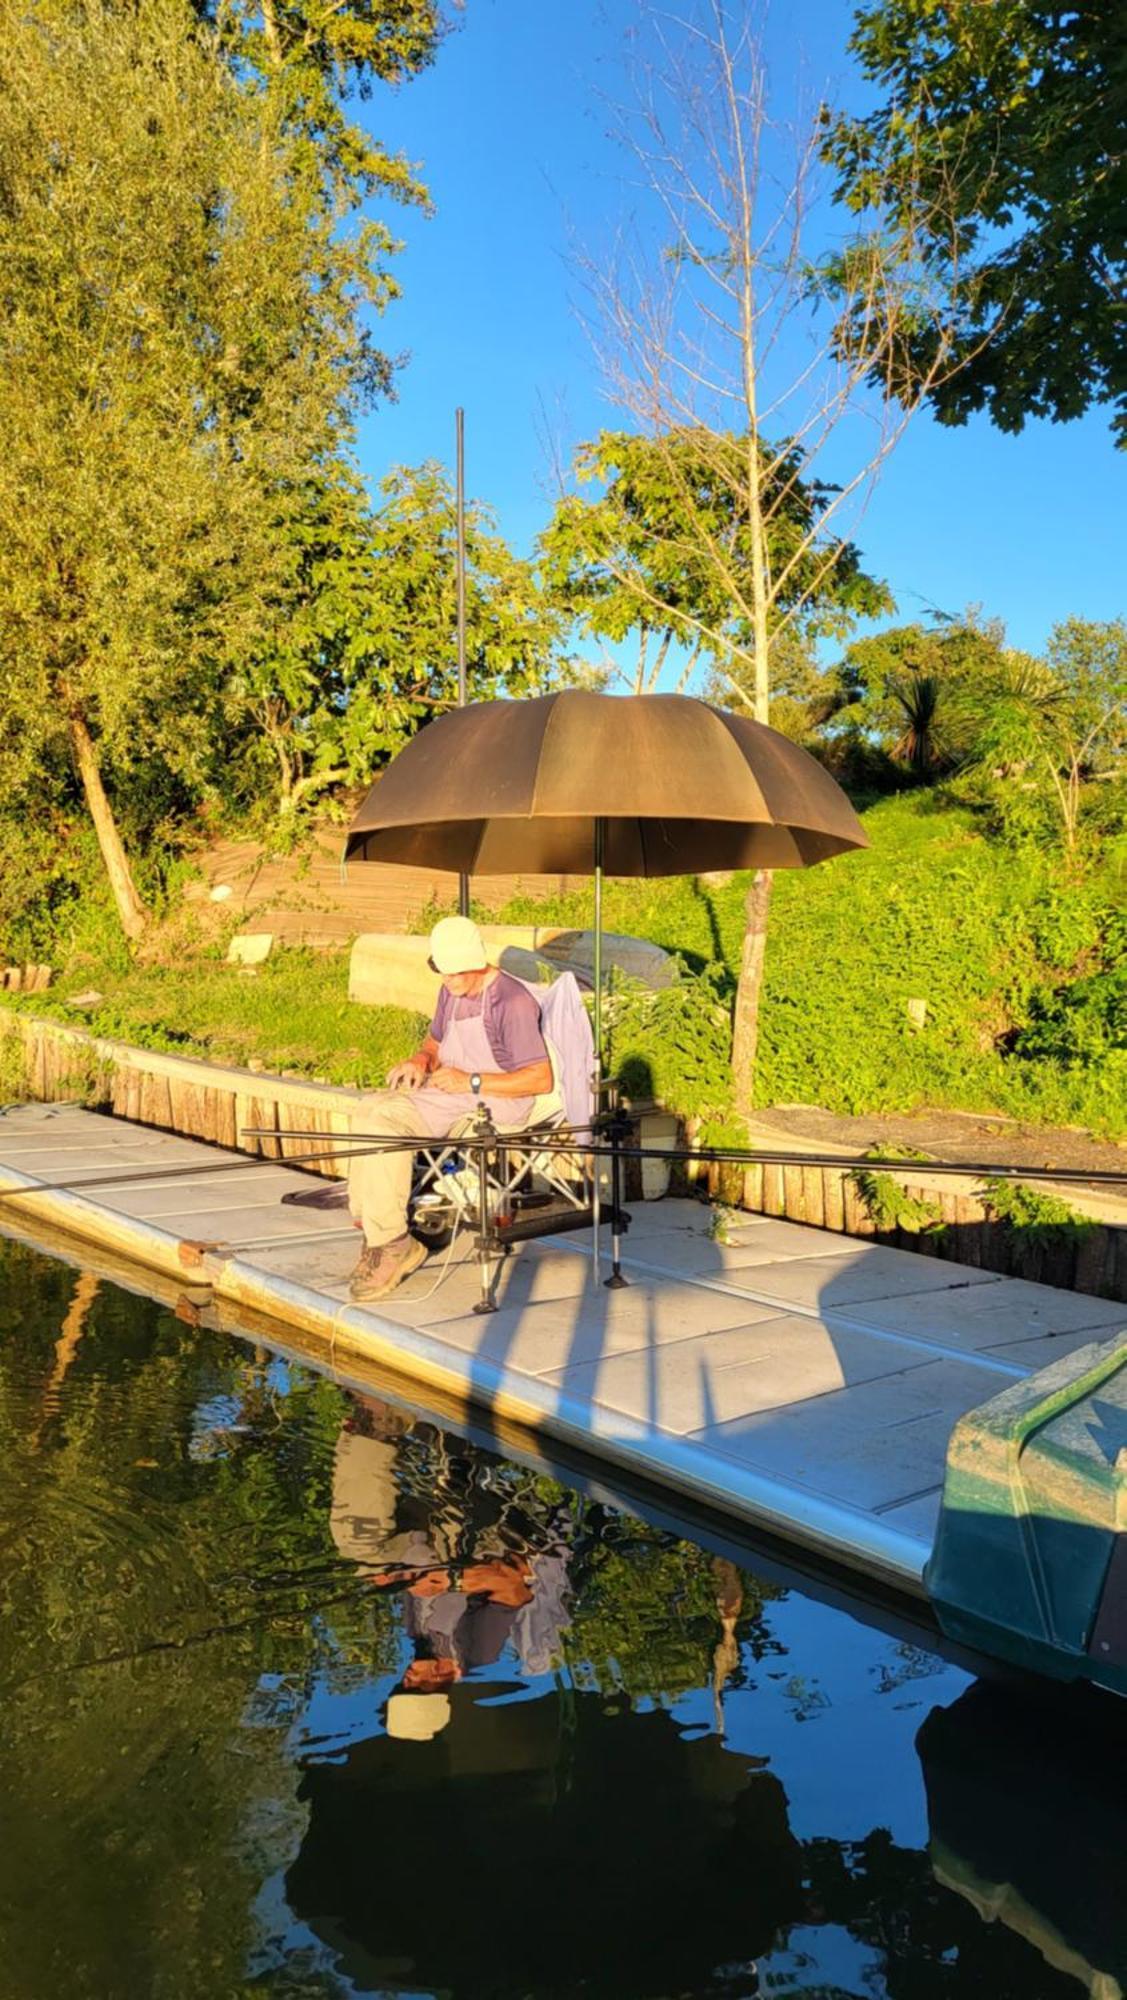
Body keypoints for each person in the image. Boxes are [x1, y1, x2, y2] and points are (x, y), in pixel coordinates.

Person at [346, 915, 551, 1300]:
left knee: (385, 1124)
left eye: (456, 974)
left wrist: (470, 1081)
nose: (448, 981)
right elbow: (435, 1041)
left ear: (477, 963)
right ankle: (373, 1232)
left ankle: (393, 1245)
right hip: (452, 1089)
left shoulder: (512, 1002)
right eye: (442, 973)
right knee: (367, 1109)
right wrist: (421, 1060)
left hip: (496, 1099)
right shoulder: (451, 991)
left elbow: (540, 1079)